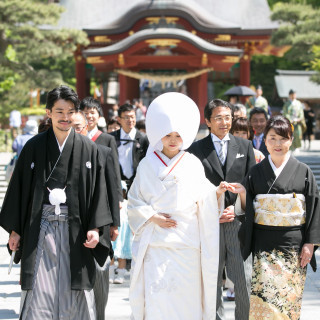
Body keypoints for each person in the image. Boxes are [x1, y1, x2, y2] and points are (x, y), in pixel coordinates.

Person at [0, 85, 112, 319]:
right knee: (41, 285)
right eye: (59, 111)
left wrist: (95, 228)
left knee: (76, 287)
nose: (65, 117)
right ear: (48, 113)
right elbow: (19, 190)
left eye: (71, 111)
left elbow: (98, 191)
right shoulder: (34, 146)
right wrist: (15, 230)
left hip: (77, 230)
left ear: (77, 114)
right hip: (40, 229)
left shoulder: (88, 148)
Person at [128, 92, 228, 320]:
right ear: (158, 135)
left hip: (187, 242)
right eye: (168, 135)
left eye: (178, 135)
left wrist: (217, 193)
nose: (173, 140)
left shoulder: (192, 163)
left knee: (186, 299)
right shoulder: (146, 164)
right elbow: (134, 201)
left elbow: (205, 198)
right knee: (158, 299)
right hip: (157, 242)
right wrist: (152, 216)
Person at [238, 115, 320, 319]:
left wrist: (310, 243)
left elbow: (314, 207)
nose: (277, 144)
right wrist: (241, 196)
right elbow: (248, 209)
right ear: (264, 141)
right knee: (263, 302)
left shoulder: (303, 171)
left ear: (291, 140)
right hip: (263, 246)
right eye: (272, 138)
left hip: (293, 247)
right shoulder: (255, 172)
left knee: (288, 304)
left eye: (283, 138)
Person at [189, 99, 256, 320]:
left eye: (228, 117)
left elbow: (252, 186)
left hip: (237, 224)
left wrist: (236, 209)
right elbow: (192, 187)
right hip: (209, 224)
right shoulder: (196, 149)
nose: (224, 122)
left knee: (244, 282)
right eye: (218, 118)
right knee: (211, 281)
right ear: (207, 121)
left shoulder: (245, 146)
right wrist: (214, 206)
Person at [73, 111, 120, 319]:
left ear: (86, 128)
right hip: (73, 227)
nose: (74, 132)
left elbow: (112, 189)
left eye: (78, 128)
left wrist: (114, 224)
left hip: (100, 226)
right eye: (70, 127)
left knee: (99, 277)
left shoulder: (103, 152)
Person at [80, 96, 123, 211]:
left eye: (92, 113)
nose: (89, 116)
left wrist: (118, 196)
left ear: (99, 115)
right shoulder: (76, 139)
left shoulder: (108, 139)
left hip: (103, 191)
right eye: (85, 113)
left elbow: (114, 169)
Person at [110, 103, 149, 191]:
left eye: (132, 117)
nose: (130, 120)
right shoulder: (111, 138)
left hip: (138, 185)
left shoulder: (144, 139)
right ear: (119, 120)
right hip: (116, 185)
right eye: (126, 117)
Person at [109, 181, 133, 285]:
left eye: (122, 191)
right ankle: (110, 275)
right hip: (115, 231)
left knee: (122, 254)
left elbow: (131, 217)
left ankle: (120, 275)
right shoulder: (111, 203)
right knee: (111, 254)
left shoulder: (128, 203)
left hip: (124, 234)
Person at [282, 89, 306, 153]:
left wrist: (299, 118)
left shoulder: (298, 103)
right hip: (290, 122)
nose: (293, 96)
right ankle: (290, 147)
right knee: (289, 134)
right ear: (289, 95)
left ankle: (297, 147)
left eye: (294, 95)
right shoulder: (286, 104)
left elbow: (301, 112)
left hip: (297, 122)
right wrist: (290, 120)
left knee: (298, 134)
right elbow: (285, 113)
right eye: (292, 95)